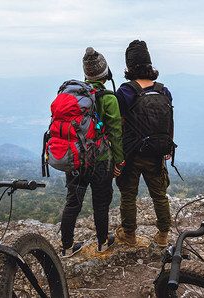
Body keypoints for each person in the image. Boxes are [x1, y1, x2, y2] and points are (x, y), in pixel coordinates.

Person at [60, 47, 125, 257]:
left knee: (73, 202)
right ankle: (103, 242)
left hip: (76, 158)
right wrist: (119, 161)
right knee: (101, 203)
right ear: (106, 73)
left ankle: (67, 247)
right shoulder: (109, 98)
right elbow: (116, 132)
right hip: (101, 161)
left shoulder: (74, 96)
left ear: (86, 74)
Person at [115, 40, 173, 248]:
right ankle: (163, 235)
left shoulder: (125, 92)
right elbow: (168, 119)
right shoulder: (163, 91)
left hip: (132, 153)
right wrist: (168, 146)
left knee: (128, 194)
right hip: (157, 152)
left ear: (129, 67)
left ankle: (129, 233)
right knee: (159, 194)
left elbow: (118, 124)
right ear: (149, 65)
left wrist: (117, 154)